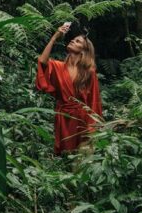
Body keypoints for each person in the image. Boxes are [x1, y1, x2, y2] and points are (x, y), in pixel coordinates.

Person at [35, 22, 103, 155]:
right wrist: (55, 37)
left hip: (82, 119)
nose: (72, 40)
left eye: (77, 41)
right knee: (65, 155)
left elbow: (93, 100)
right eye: (73, 39)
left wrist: (93, 126)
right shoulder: (58, 66)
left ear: (84, 50)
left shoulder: (89, 72)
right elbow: (42, 62)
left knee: (81, 157)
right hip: (64, 116)